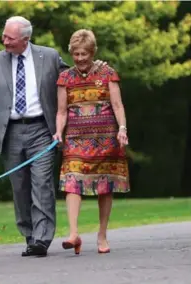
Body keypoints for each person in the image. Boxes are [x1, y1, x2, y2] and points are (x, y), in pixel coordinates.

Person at [0, 16, 69, 257]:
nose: (4, 41)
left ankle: (42, 240)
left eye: (9, 38)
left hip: (41, 130)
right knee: (20, 187)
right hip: (9, 132)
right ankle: (30, 236)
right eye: (3, 36)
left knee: (42, 184)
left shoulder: (49, 56)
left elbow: (71, 80)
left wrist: (94, 71)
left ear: (26, 39)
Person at [53, 29, 130, 255]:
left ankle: (102, 235)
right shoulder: (65, 78)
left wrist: (122, 129)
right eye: (76, 54)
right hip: (75, 141)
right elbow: (61, 112)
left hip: (106, 140)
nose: (79, 58)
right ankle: (74, 234)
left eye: (84, 54)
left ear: (92, 52)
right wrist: (58, 132)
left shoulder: (107, 73)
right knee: (71, 183)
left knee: (105, 186)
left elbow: (117, 105)